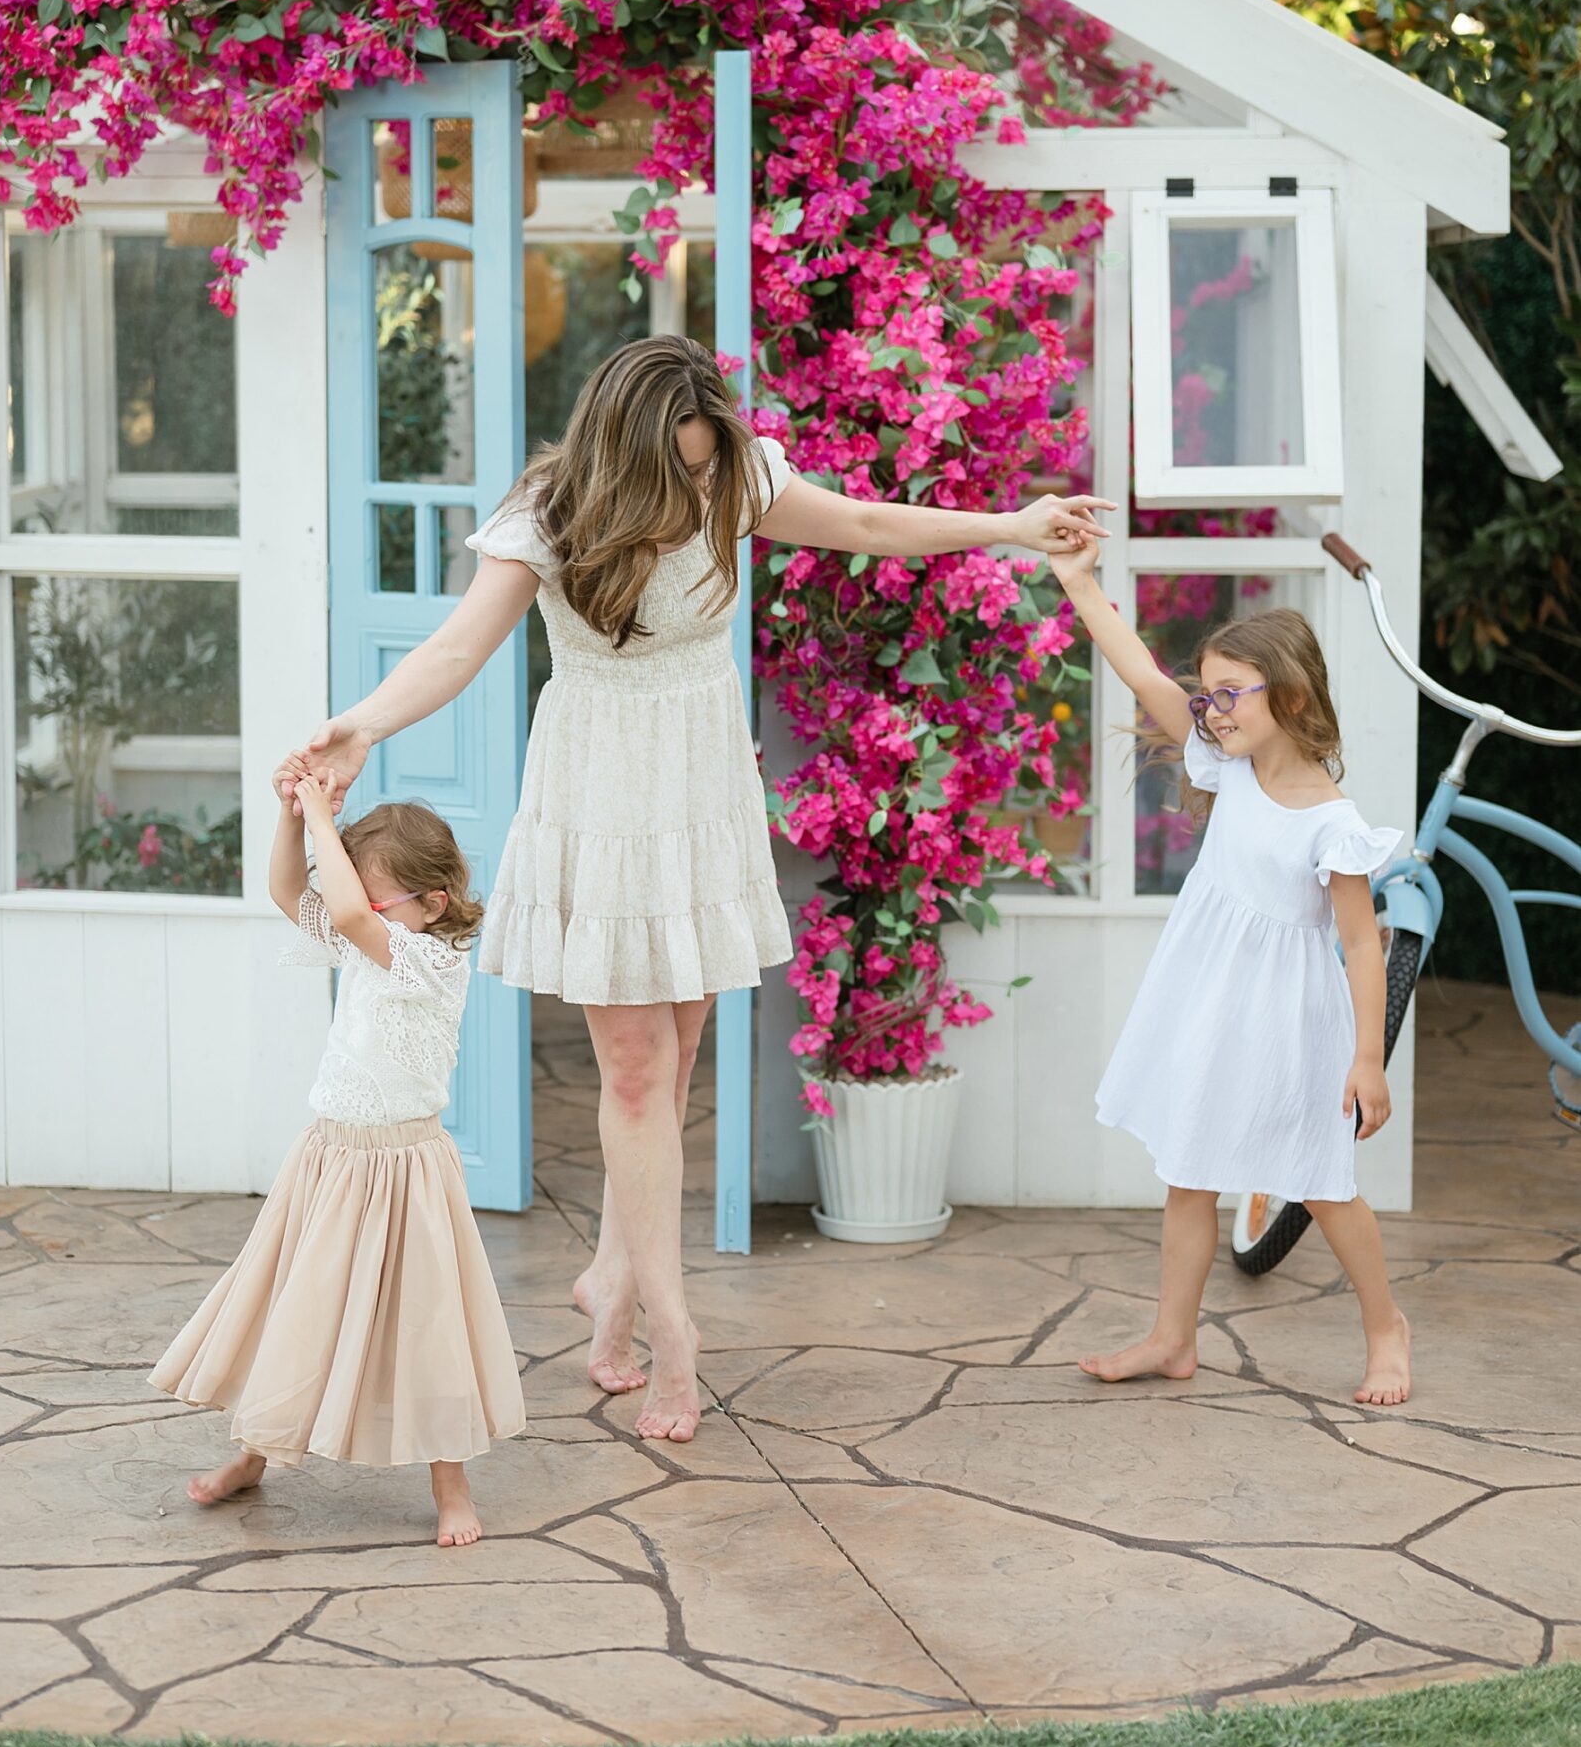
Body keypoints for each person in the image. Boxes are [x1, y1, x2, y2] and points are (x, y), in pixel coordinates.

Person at [283, 335, 1110, 1444]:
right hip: (604, 787)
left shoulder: (738, 472)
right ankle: (669, 1327)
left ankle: (609, 1283)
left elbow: (865, 524)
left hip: (700, 786)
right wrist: (360, 726)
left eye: (705, 461)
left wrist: (1008, 527)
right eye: (674, 465)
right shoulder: (548, 511)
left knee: (673, 1057)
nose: (696, 484)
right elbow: (456, 648)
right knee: (635, 1068)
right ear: (623, 452)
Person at [1054, 535, 1411, 1406]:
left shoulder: (1333, 823)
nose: (1207, 710)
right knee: (1188, 1171)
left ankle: (1386, 1329)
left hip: (1290, 1017)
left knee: (1320, 1186)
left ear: (1285, 696)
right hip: (1208, 1001)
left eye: (1227, 694)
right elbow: (1139, 671)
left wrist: (1367, 1058)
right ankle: (1173, 1339)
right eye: (1205, 693)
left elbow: (1362, 945)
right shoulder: (1226, 767)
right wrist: (1078, 580)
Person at [149, 776, 525, 1546]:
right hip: (331, 1158)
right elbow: (289, 888)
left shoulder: (429, 961)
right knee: (297, 1307)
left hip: (403, 1169)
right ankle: (254, 1454)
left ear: (435, 901)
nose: (357, 910)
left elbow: (351, 914)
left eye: (376, 899)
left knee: (427, 1324)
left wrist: (325, 813)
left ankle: (451, 1486)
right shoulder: (373, 936)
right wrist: (295, 819)